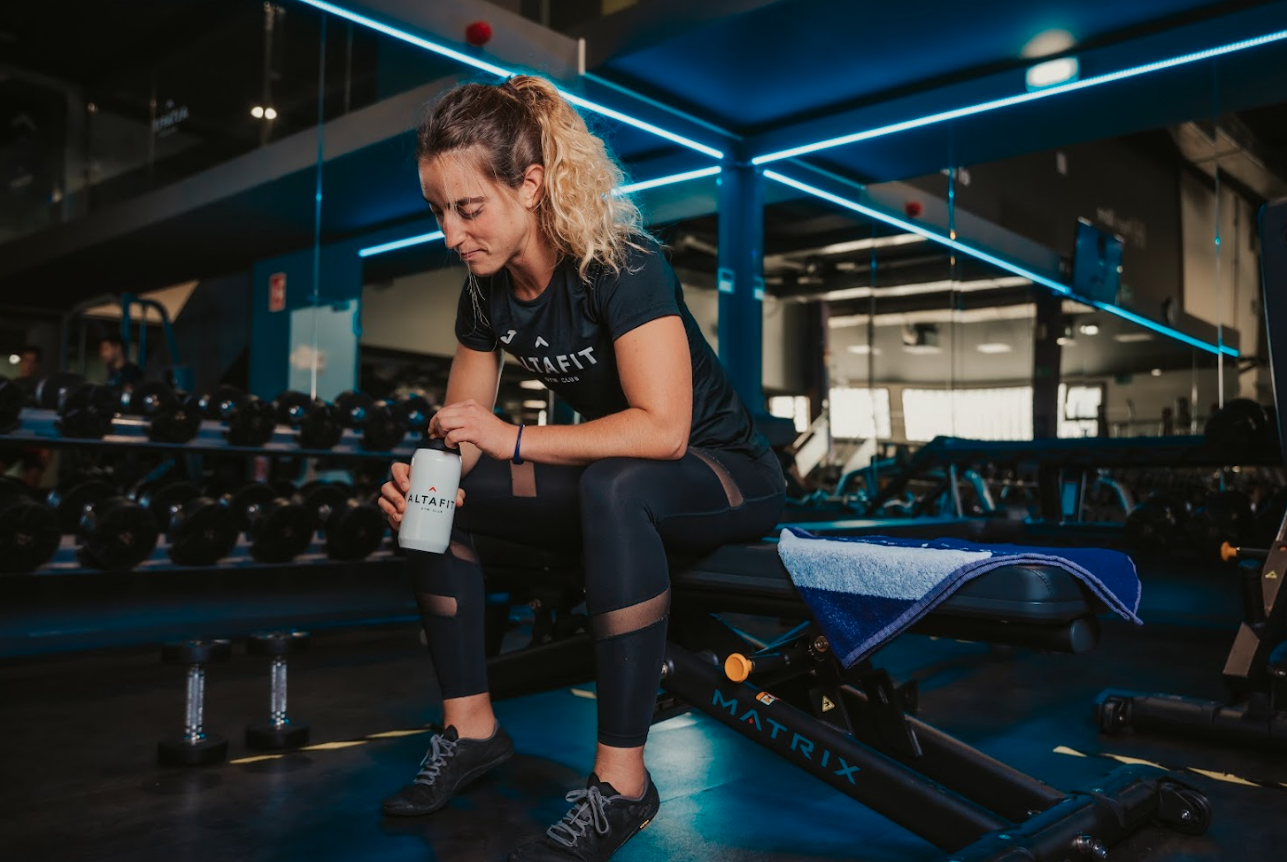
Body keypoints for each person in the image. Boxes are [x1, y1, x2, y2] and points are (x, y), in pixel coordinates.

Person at [377, 74, 785, 862]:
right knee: (435, 491)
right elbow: (465, 435)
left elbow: (663, 432)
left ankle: (624, 783)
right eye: (438, 211)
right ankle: (471, 729)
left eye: (469, 208)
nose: (452, 233)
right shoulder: (483, 291)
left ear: (529, 185)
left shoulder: (622, 262)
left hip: (724, 473)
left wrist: (515, 441)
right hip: (624, 482)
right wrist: (424, 484)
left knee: (618, 480)